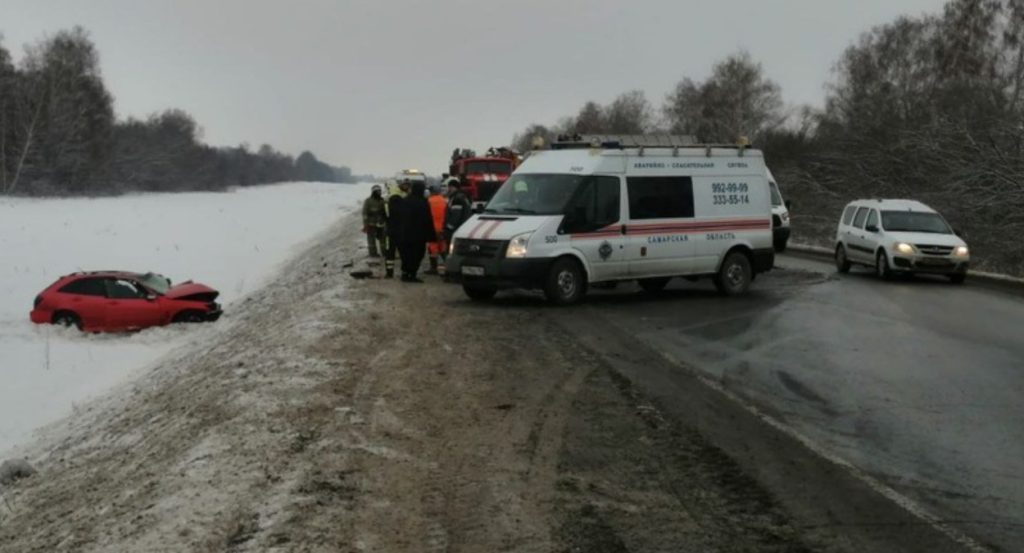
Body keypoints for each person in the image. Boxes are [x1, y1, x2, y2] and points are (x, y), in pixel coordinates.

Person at [397, 181, 436, 283]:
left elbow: (399, 217)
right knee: (417, 254)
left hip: (404, 233)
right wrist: (431, 235)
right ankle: (412, 274)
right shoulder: (423, 203)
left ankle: (405, 273)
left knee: (406, 254)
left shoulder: (405, 201)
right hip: (419, 235)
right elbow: (428, 219)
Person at [384, 179, 410, 278]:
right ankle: (404, 273)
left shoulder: (387, 200)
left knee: (389, 253)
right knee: (403, 252)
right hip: (400, 231)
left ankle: (389, 274)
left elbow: (384, 215)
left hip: (390, 231)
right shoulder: (402, 199)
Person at [425, 184, 448, 275]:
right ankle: (449, 266)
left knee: (432, 248)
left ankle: (433, 268)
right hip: (442, 228)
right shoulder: (444, 201)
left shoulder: (429, 201)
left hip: (432, 228)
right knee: (443, 247)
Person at [443, 177, 473, 243]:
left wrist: (448, 228)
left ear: (454, 187)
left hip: (456, 229)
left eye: (450, 187)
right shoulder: (462, 196)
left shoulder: (457, 199)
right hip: (463, 227)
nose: (448, 189)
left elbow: (455, 216)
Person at [362, 184, 387, 257]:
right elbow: (364, 213)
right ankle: (373, 253)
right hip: (371, 224)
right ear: (374, 192)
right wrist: (365, 224)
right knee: (371, 240)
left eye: (380, 191)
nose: (379, 192)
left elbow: (385, 211)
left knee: (383, 239)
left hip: (381, 223)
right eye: (378, 191)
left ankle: (384, 252)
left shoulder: (382, 200)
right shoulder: (368, 201)